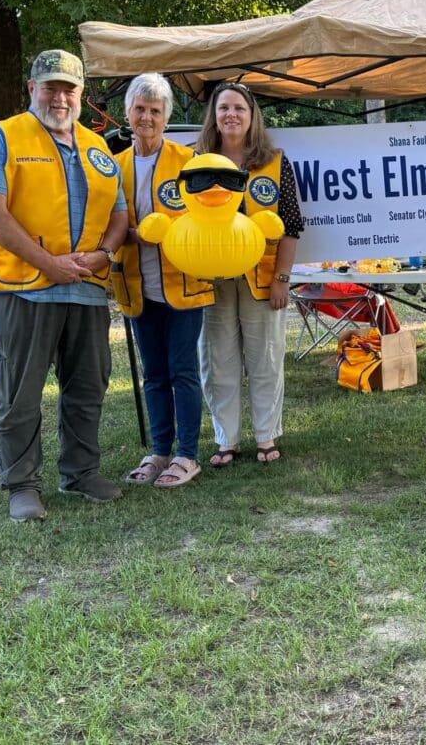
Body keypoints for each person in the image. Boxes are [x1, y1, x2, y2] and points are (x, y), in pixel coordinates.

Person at [0, 49, 129, 521]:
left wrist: (104, 254)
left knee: (88, 386)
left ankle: (80, 473)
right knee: (18, 392)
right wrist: (48, 264)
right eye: (50, 87)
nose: (60, 97)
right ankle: (21, 484)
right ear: (32, 88)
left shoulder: (98, 148)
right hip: (20, 288)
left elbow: (119, 214)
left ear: (81, 94)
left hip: (85, 288)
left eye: (68, 89)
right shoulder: (2, 137)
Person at [195, 82, 303, 465]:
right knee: (217, 360)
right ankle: (226, 440)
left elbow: (291, 225)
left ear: (252, 115)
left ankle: (266, 437)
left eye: (239, 108)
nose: (231, 115)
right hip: (213, 280)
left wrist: (282, 278)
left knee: (265, 359)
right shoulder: (197, 162)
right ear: (214, 116)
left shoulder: (274, 161)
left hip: (263, 280)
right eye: (224, 108)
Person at [113, 73, 212, 488]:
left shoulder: (188, 162)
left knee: (183, 370)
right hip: (137, 287)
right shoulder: (114, 165)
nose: (147, 118)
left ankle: (187, 454)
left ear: (167, 117)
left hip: (184, 285)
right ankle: (158, 452)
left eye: (155, 110)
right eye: (140, 109)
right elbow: (105, 222)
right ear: (128, 113)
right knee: (153, 373)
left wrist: (168, 233)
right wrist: (132, 236)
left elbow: (209, 218)